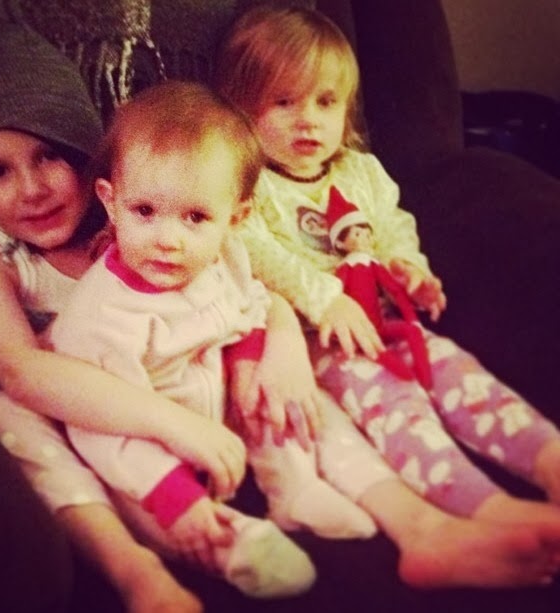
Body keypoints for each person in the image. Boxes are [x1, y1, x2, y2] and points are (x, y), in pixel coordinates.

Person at [215, 4, 560, 588]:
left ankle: (549, 460)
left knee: (463, 375)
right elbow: (258, 253)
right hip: (325, 344)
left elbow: (394, 226)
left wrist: (411, 268)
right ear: (242, 111)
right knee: (399, 408)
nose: (308, 120)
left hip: (394, 321)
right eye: (284, 102)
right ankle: (486, 507)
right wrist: (327, 299)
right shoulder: (251, 184)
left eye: (326, 102)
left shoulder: (362, 172)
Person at [50, 79, 409, 597]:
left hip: (223, 413)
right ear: (111, 201)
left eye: (196, 218)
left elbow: (251, 309)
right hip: (148, 450)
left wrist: (247, 363)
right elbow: (102, 431)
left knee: (281, 393)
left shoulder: (226, 257)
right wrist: (177, 498)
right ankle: (226, 540)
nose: (168, 240)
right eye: (144, 211)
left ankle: (295, 488)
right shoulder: (99, 317)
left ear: (235, 219)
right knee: (149, 505)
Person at [0, 17, 204, 613]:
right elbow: (19, 371)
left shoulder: (134, 222)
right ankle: (134, 570)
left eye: (49, 155)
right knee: (4, 411)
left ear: (87, 157)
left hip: (166, 397)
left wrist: (281, 342)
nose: (31, 189)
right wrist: (174, 425)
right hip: (77, 426)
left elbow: (233, 286)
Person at [325, 185, 432, 389]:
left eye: (367, 235)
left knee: (413, 332)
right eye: (357, 235)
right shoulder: (345, 268)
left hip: (380, 324)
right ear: (340, 243)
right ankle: (409, 381)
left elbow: (394, 290)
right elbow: (335, 292)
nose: (365, 240)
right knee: (375, 353)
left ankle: (425, 377)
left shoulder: (373, 264)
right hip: (357, 331)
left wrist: (412, 319)